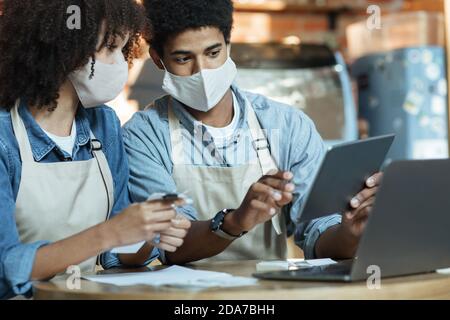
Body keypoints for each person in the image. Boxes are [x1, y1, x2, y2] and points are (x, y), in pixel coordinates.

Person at [123, 0, 381, 264]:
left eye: (213, 53)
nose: (202, 72)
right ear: (158, 60)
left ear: (228, 45)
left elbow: (320, 237)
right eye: (183, 58)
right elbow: (171, 244)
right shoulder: (144, 136)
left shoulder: (287, 125)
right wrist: (234, 221)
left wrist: (351, 234)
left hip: (268, 292)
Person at [0, 0, 190, 299]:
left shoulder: (104, 125)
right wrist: (110, 232)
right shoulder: (4, 135)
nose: (119, 64)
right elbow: (5, 267)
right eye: (110, 47)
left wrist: (150, 234)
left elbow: (115, 256)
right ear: (64, 44)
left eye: (123, 48)